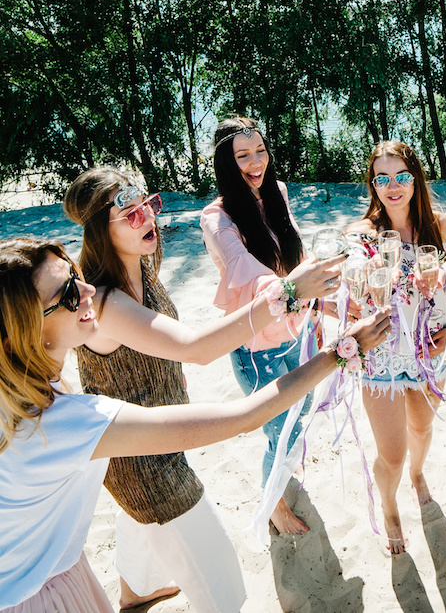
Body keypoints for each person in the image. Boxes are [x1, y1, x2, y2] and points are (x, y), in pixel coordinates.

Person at [0, 237, 390, 612]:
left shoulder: (19, 392)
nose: (87, 291)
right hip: (42, 594)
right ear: (21, 331)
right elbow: (244, 416)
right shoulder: (65, 423)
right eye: (67, 294)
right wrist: (340, 351)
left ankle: (137, 592)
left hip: (46, 573)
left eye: (75, 274)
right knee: (222, 583)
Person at [64, 167, 343, 612]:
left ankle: (136, 593)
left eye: (149, 208)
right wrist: (286, 293)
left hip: (151, 441)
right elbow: (195, 349)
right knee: (224, 589)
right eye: (131, 216)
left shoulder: (141, 270)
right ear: (100, 230)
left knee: (138, 526)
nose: (148, 220)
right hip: (147, 462)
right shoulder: (106, 302)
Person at [201, 117, 324, 537]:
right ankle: (273, 506)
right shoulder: (216, 218)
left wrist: (314, 301)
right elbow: (247, 270)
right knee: (279, 432)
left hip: (298, 327)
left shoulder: (277, 192)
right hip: (258, 346)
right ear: (225, 164)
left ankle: (282, 477)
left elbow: (292, 248)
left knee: (301, 409)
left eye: (260, 151)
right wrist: (297, 288)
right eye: (242, 156)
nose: (256, 163)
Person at [345, 140, 446, 554]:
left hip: (427, 350)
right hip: (383, 353)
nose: (393, 186)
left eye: (402, 176)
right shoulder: (363, 233)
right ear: (373, 185)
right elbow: (352, 268)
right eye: (382, 178)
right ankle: (389, 506)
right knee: (391, 455)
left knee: (422, 429)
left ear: (415, 179)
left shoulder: (439, 227)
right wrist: (363, 268)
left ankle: (419, 473)